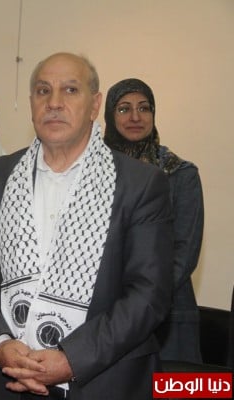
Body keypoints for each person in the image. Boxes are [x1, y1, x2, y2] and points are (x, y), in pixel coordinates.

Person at [0, 52, 174, 399]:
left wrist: (72, 359)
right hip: (6, 381)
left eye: (70, 90)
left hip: (102, 383)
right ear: (32, 103)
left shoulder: (141, 184)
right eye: (43, 91)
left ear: (95, 104)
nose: (54, 103)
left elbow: (148, 295)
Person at [104, 78, 204, 363]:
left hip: (168, 315)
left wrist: (141, 299)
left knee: (173, 386)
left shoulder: (181, 174)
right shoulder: (92, 173)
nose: (135, 117)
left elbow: (184, 253)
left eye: (144, 108)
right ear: (110, 116)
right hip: (104, 318)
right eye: (124, 109)